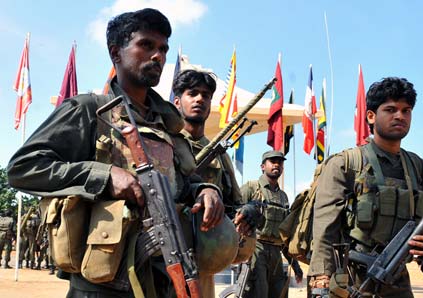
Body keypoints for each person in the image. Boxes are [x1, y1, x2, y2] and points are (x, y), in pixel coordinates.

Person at [8, 8, 224, 298]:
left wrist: (205, 191)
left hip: (166, 278)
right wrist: (104, 175)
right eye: (146, 45)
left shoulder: (169, 125)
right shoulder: (89, 110)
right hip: (104, 284)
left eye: (163, 49)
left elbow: (184, 183)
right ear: (116, 53)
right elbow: (23, 168)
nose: (158, 56)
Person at [308, 77, 423, 297]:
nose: (400, 115)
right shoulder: (346, 164)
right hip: (349, 279)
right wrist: (321, 280)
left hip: (397, 280)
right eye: (390, 109)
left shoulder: (418, 168)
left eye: (406, 110)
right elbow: (326, 228)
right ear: (371, 116)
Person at [172, 69, 261, 297]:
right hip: (161, 258)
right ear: (177, 101)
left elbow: (235, 205)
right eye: (192, 93)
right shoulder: (163, 144)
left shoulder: (218, 154)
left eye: (205, 95)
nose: (200, 99)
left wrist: (249, 212)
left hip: (203, 264)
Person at [240, 150, 303, 298]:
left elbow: (286, 235)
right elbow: (233, 213)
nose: (277, 164)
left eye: (280, 162)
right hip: (255, 250)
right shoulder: (251, 188)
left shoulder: (283, 197)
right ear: (263, 166)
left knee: (279, 293)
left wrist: (295, 265)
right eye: (272, 161)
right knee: (257, 292)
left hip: (276, 254)